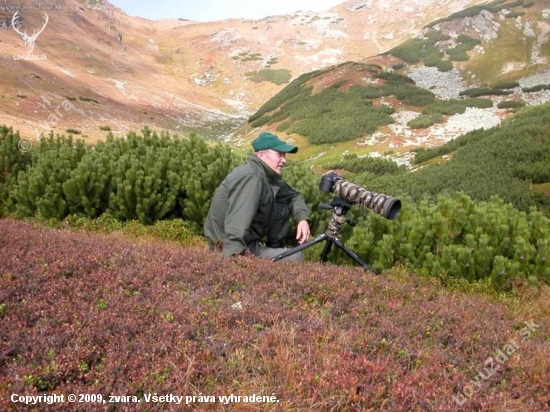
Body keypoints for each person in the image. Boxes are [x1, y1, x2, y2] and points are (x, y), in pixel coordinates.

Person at [204, 132, 310, 262]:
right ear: (261, 155)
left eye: (284, 155)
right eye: (279, 154)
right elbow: (237, 224)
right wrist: (231, 262)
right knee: (296, 257)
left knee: (284, 201)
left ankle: (275, 248)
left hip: (247, 244)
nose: (284, 160)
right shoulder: (252, 178)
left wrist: (303, 219)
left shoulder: (266, 176)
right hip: (228, 248)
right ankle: (269, 262)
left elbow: (293, 196)